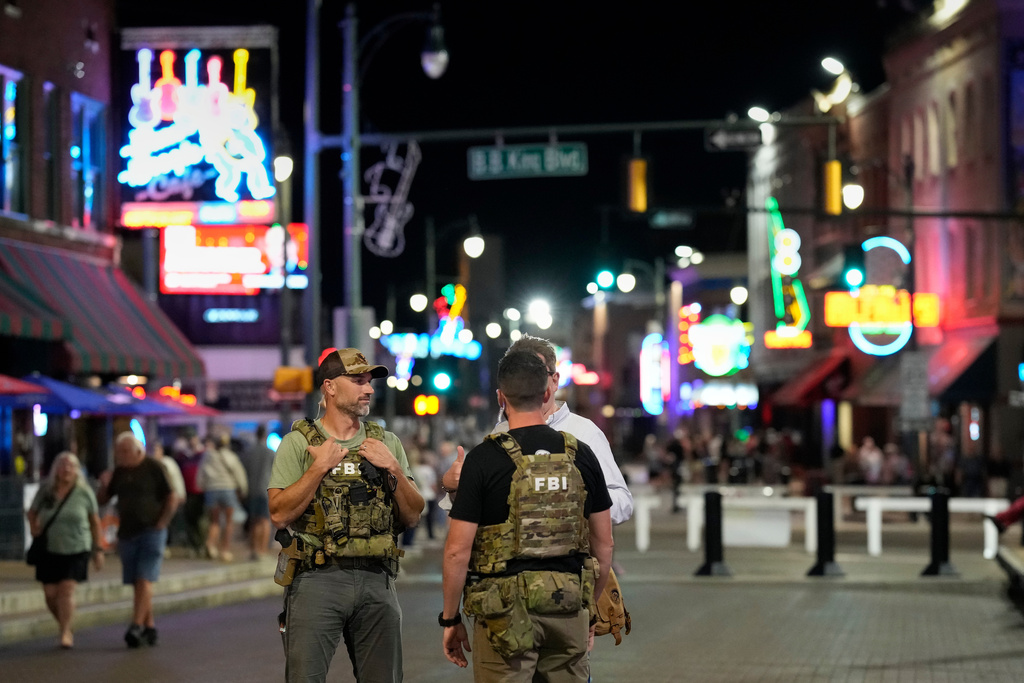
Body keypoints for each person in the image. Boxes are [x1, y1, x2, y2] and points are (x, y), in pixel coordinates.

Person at [441, 351, 614, 681]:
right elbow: (604, 544)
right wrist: (588, 608)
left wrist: (450, 619)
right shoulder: (581, 454)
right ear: (547, 393)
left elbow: (456, 551)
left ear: (500, 397)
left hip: (503, 615)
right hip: (567, 606)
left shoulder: (483, 459)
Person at [269, 347, 424, 683]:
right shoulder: (298, 443)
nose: (368, 388)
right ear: (330, 387)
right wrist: (320, 467)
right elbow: (279, 514)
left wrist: (393, 467)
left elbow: (413, 514)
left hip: (376, 579)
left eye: (369, 381)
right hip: (317, 580)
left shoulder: (387, 443)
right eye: (357, 380)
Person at [440, 334, 633, 526]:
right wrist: (456, 489)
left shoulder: (584, 432)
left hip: (570, 553)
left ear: (554, 381)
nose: (527, 381)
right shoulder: (499, 434)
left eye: (537, 372)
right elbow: (479, 511)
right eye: (519, 374)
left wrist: (575, 498)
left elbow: (623, 503)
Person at [97, 432, 177, 648]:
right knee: (137, 581)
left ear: (137, 450)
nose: (121, 456)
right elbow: (104, 499)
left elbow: (172, 496)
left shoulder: (153, 467)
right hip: (127, 532)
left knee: (145, 577)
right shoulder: (120, 471)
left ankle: (135, 626)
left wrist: (162, 522)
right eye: (118, 452)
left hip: (151, 530)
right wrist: (104, 484)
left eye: (125, 451)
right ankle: (149, 626)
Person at [25, 451, 105, 649]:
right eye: (62, 465)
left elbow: (95, 522)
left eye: (71, 466)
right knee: (50, 594)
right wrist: (34, 527)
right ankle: (64, 623)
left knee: (66, 590)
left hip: (77, 547)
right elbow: (32, 511)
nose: (66, 469)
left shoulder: (84, 492)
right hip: (49, 548)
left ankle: (65, 631)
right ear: (56, 470)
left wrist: (98, 550)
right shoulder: (46, 490)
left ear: (77, 470)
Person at [198, 433, 248, 562]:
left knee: (214, 521)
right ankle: (225, 550)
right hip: (227, 489)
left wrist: (201, 486)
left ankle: (210, 544)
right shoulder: (230, 456)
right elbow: (239, 473)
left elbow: (201, 474)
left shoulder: (207, 456)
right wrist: (243, 489)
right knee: (228, 521)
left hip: (211, 490)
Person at [242, 423, 276, 560]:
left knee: (254, 521)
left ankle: (254, 549)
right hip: (266, 490)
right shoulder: (271, 453)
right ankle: (262, 550)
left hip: (252, 490)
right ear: (265, 435)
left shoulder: (248, 452)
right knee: (265, 521)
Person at [152, 441, 187, 550]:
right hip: (159, 499)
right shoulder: (152, 464)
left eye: (156, 450)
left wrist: (180, 494)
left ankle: (165, 545)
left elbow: (176, 480)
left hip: (170, 498)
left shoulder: (167, 463)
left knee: (167, 521)